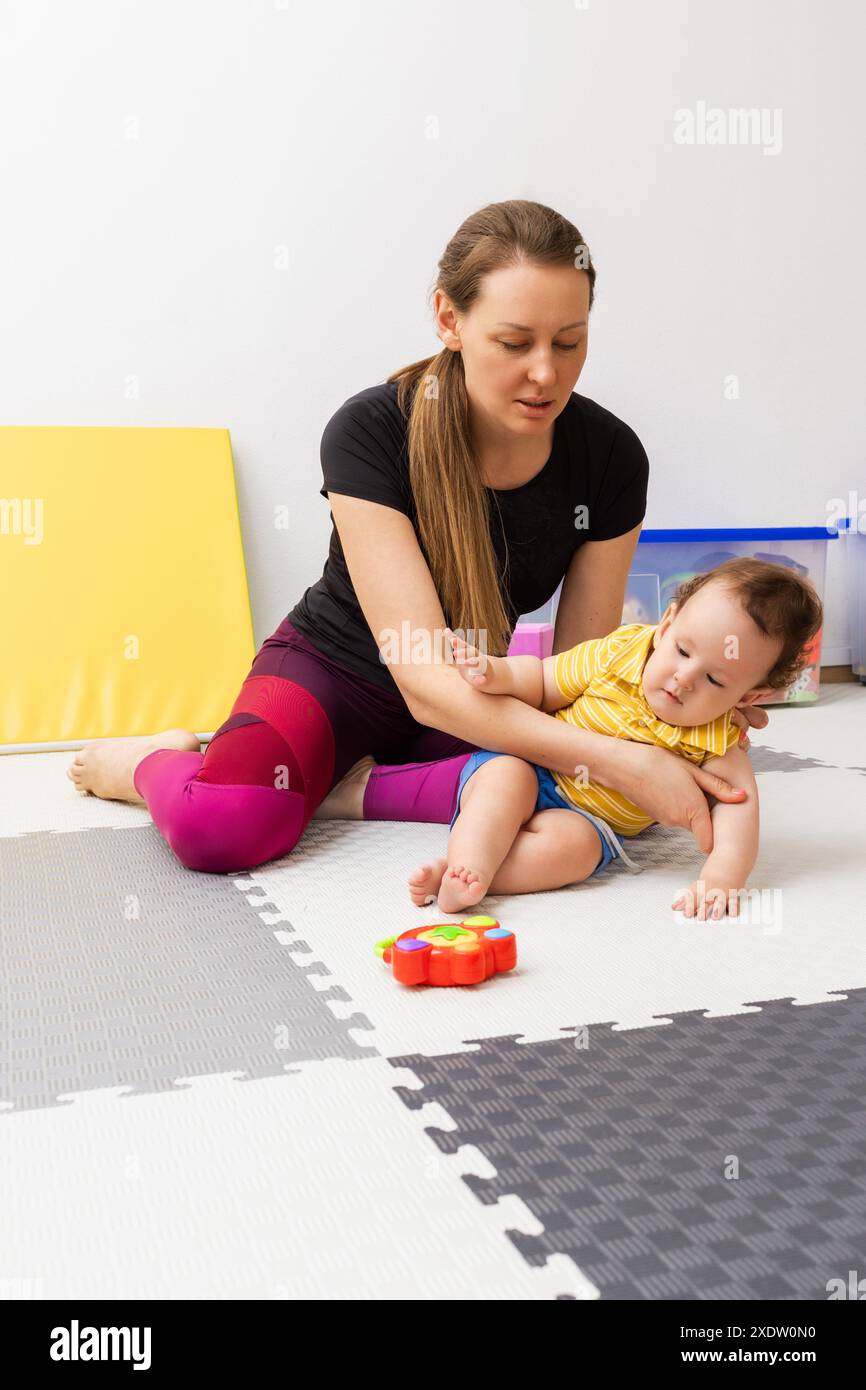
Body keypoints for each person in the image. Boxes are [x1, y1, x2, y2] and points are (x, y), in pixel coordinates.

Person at [67, 198, 766, 872]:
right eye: (514, 343)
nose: (546, 372)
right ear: (448, 318)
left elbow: (585, 664)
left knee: (555, 815)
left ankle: (343, 789)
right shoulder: (369, 432)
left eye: (570, 341)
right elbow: (424, 676)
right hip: (335, 674)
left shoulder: (611, 457)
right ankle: (149, 761)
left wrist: (687, 702)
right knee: (222, 828)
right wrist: (626, 760)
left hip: (475, 695)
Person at [403, 559, 822, 921]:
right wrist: (496, 673)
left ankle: (465, 878)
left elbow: (738, 811)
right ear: (666, 626)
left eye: (714, 679)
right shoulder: (616, 653)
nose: (685, 677)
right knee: (506, 780)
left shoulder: (716, 738)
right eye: (682, 650)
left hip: (589, 820)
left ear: (748, 697)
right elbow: (543, 680)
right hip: (534, 766)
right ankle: (470, 858)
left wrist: (721, 878)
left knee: (577, 852)